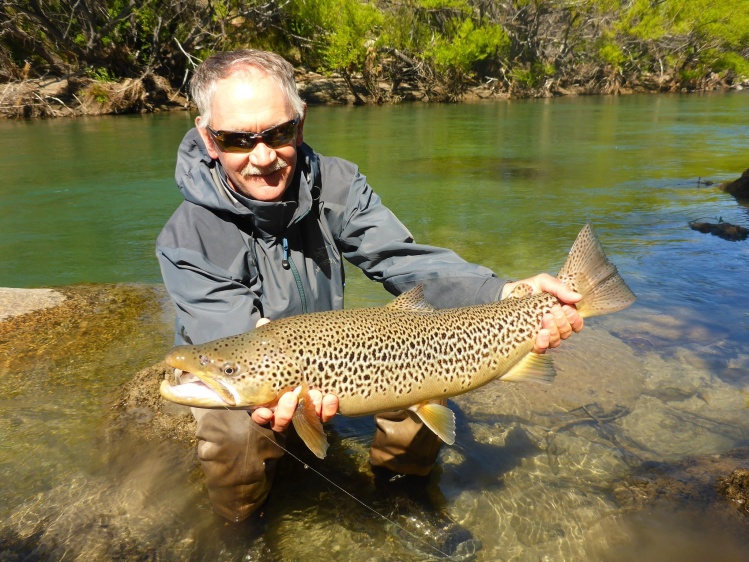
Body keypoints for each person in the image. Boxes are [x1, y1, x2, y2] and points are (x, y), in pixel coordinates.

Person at [156, 49, 584, 524]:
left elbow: (399, 258)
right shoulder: (187, 236)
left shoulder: (336, 184)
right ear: (207, 137)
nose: (262, 156)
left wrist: (503, 295)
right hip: (261, 360)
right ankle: (242, 521)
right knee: (234, 432)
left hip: (331, 353)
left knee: (426, 364)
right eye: (237, 139)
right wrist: (295, 394)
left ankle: (403, 492)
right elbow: (235, 339)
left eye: (277, 134)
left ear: (298, 124)